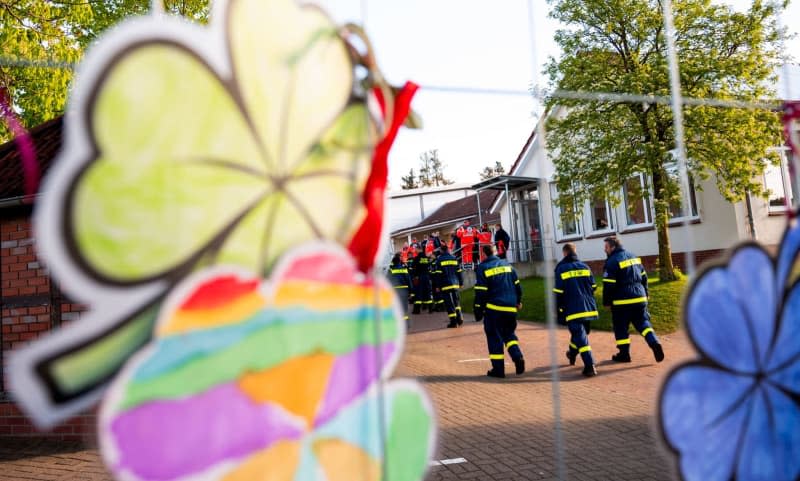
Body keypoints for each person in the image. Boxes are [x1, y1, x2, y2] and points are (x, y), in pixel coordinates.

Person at [602, 236, 665, 363]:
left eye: (606, 247)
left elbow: (608, 285)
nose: (605, 250)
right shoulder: (634, 257)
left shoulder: (611, 262)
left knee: (621, 327)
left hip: (622, 301)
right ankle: (654, 342)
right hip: (640, 298)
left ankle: (624, 354)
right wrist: (646, 293)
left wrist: (607, 302)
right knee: (643, 323)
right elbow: (644, 277)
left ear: (613, 247)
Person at [474, 244, 525, 378]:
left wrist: (478, 308)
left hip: (494, 309)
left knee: (494, 337)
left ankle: (498, 370)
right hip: (510, 307)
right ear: (494, 252)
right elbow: (518, 286)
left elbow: (481, 291)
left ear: (483, 254)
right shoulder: (508, 265)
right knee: (509, 334)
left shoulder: (483, 267)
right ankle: (518, 357)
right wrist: (518, 301)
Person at [553, 243, 598, 377]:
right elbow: (594, 286)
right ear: (575, 252)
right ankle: (572, 353)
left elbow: (558, 292)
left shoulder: (561, 268)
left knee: (580, 337)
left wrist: (558, 309)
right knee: (581, 334)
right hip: (588, 307)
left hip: (572, 308)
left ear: (565, 253)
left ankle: (590, 366)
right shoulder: (585, 266)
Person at [433, 244, 463, 328]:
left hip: (445, 285)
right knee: (456, 302)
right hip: (455, 283)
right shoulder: (454, 258)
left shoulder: (439, 260)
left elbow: (438, 275)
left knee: (449, 304)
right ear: (448, 250)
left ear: (442, 251)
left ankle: (453, 322)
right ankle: (459, 319)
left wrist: (438, 286)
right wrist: (461, 283)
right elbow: (459, 272)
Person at [387, 254, 412, 327]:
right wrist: (411, 291)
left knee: (397, 307)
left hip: (396, 291)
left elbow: (389, 281)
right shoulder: (404, 269)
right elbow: (409, 280)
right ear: (399, 262)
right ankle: (406, 323)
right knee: (405, 307)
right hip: (404, 290)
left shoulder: (390, 270)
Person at [411, 250, 433, 314]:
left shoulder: (416, 258)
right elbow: (429, 266)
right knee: (427, 293)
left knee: (418, 293)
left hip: (419, 277)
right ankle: (430, 309)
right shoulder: (426, 259)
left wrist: (415, 276)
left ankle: (417, 310)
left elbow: (413, 268)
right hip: (426, 277)